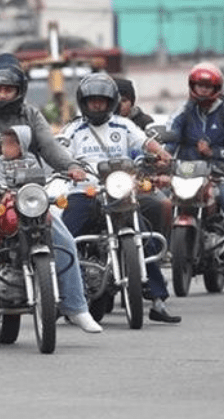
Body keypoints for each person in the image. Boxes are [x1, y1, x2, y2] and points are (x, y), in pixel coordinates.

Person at [0, 53, 102, 348]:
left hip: (28, 191)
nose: (2, 94)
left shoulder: (31, 114)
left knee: (62, 237)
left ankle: (76, 308)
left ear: (19, 90)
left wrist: (72, 167)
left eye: (8, 89)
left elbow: (49, 147)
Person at [59, 72, 180, 324]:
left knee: (143, 237)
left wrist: (162, 154)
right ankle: (61, 295)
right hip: (86, 192)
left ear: (110, 102)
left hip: (120, 192)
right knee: (64, 239)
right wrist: (69, 167)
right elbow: (58, 152)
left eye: (102, 101)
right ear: (84, 102)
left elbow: (145, 142)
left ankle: (157, 299)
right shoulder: (73, 129)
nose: (97, 105)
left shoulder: (123, 126)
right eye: (92, 101)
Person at [165, 62, 224, 293]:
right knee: (161, 206)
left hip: (221, 175)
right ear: (192, 86)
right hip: (187, 174)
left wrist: (214, 153)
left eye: (208, 86)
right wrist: (162, 159)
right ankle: (148, 273)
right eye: (199, 86)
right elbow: (170, 143)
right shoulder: (182, 114)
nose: (203, 91)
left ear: (216, 87)